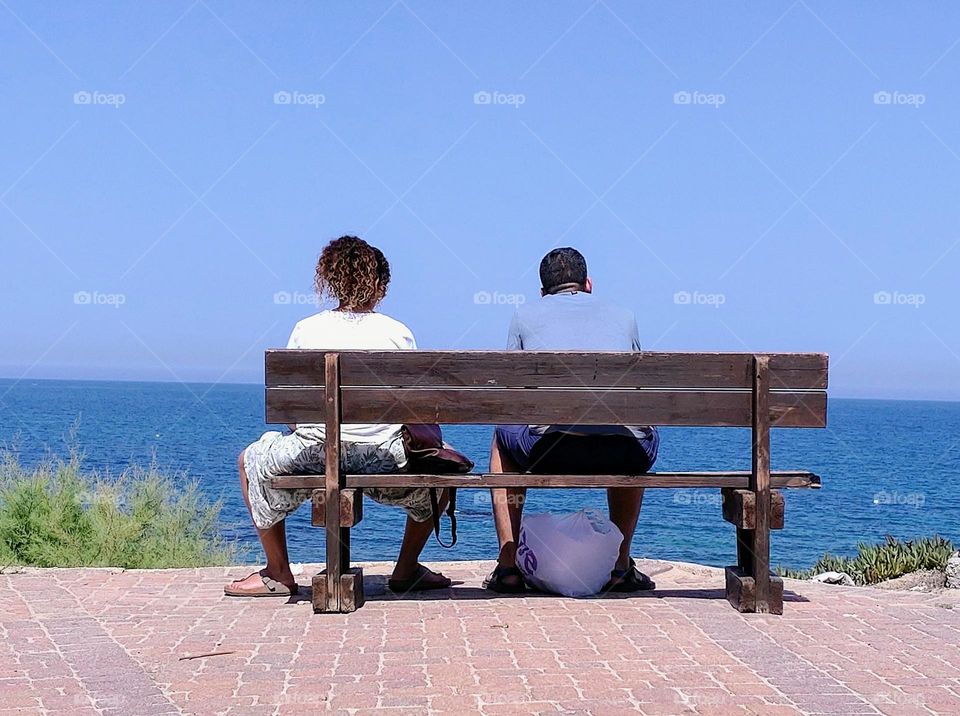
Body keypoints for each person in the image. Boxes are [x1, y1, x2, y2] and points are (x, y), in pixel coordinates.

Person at [225, 236, 451, 597]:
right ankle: (406, 569)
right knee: (445, 464)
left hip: (315, 453)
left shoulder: (306, 329)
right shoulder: (398, 333)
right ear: (377, 284)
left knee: (247, 459)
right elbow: (414, 412)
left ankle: (278, 572)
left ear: (331, 281)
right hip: (381, 458)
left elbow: (293, 419)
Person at [484, 247, 660, 594]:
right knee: (634, 428)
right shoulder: (625, 316)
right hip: (624, 453)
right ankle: (621, 565)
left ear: (542, 292)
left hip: (549, 450)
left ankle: (507, 567)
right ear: (588, 284)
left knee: (501, 432)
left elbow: (511, 395)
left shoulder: (524, 315)